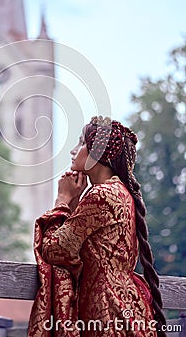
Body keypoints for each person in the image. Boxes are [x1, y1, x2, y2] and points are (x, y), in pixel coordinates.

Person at [28, 116, 167, 337]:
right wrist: (73, 204)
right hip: (126, 307)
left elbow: (55, 250)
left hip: (106, 310)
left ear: (99, 154)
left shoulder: (101, 195)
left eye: (81, 142)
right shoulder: (119, 192)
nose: (73, 151)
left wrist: (62, 201)